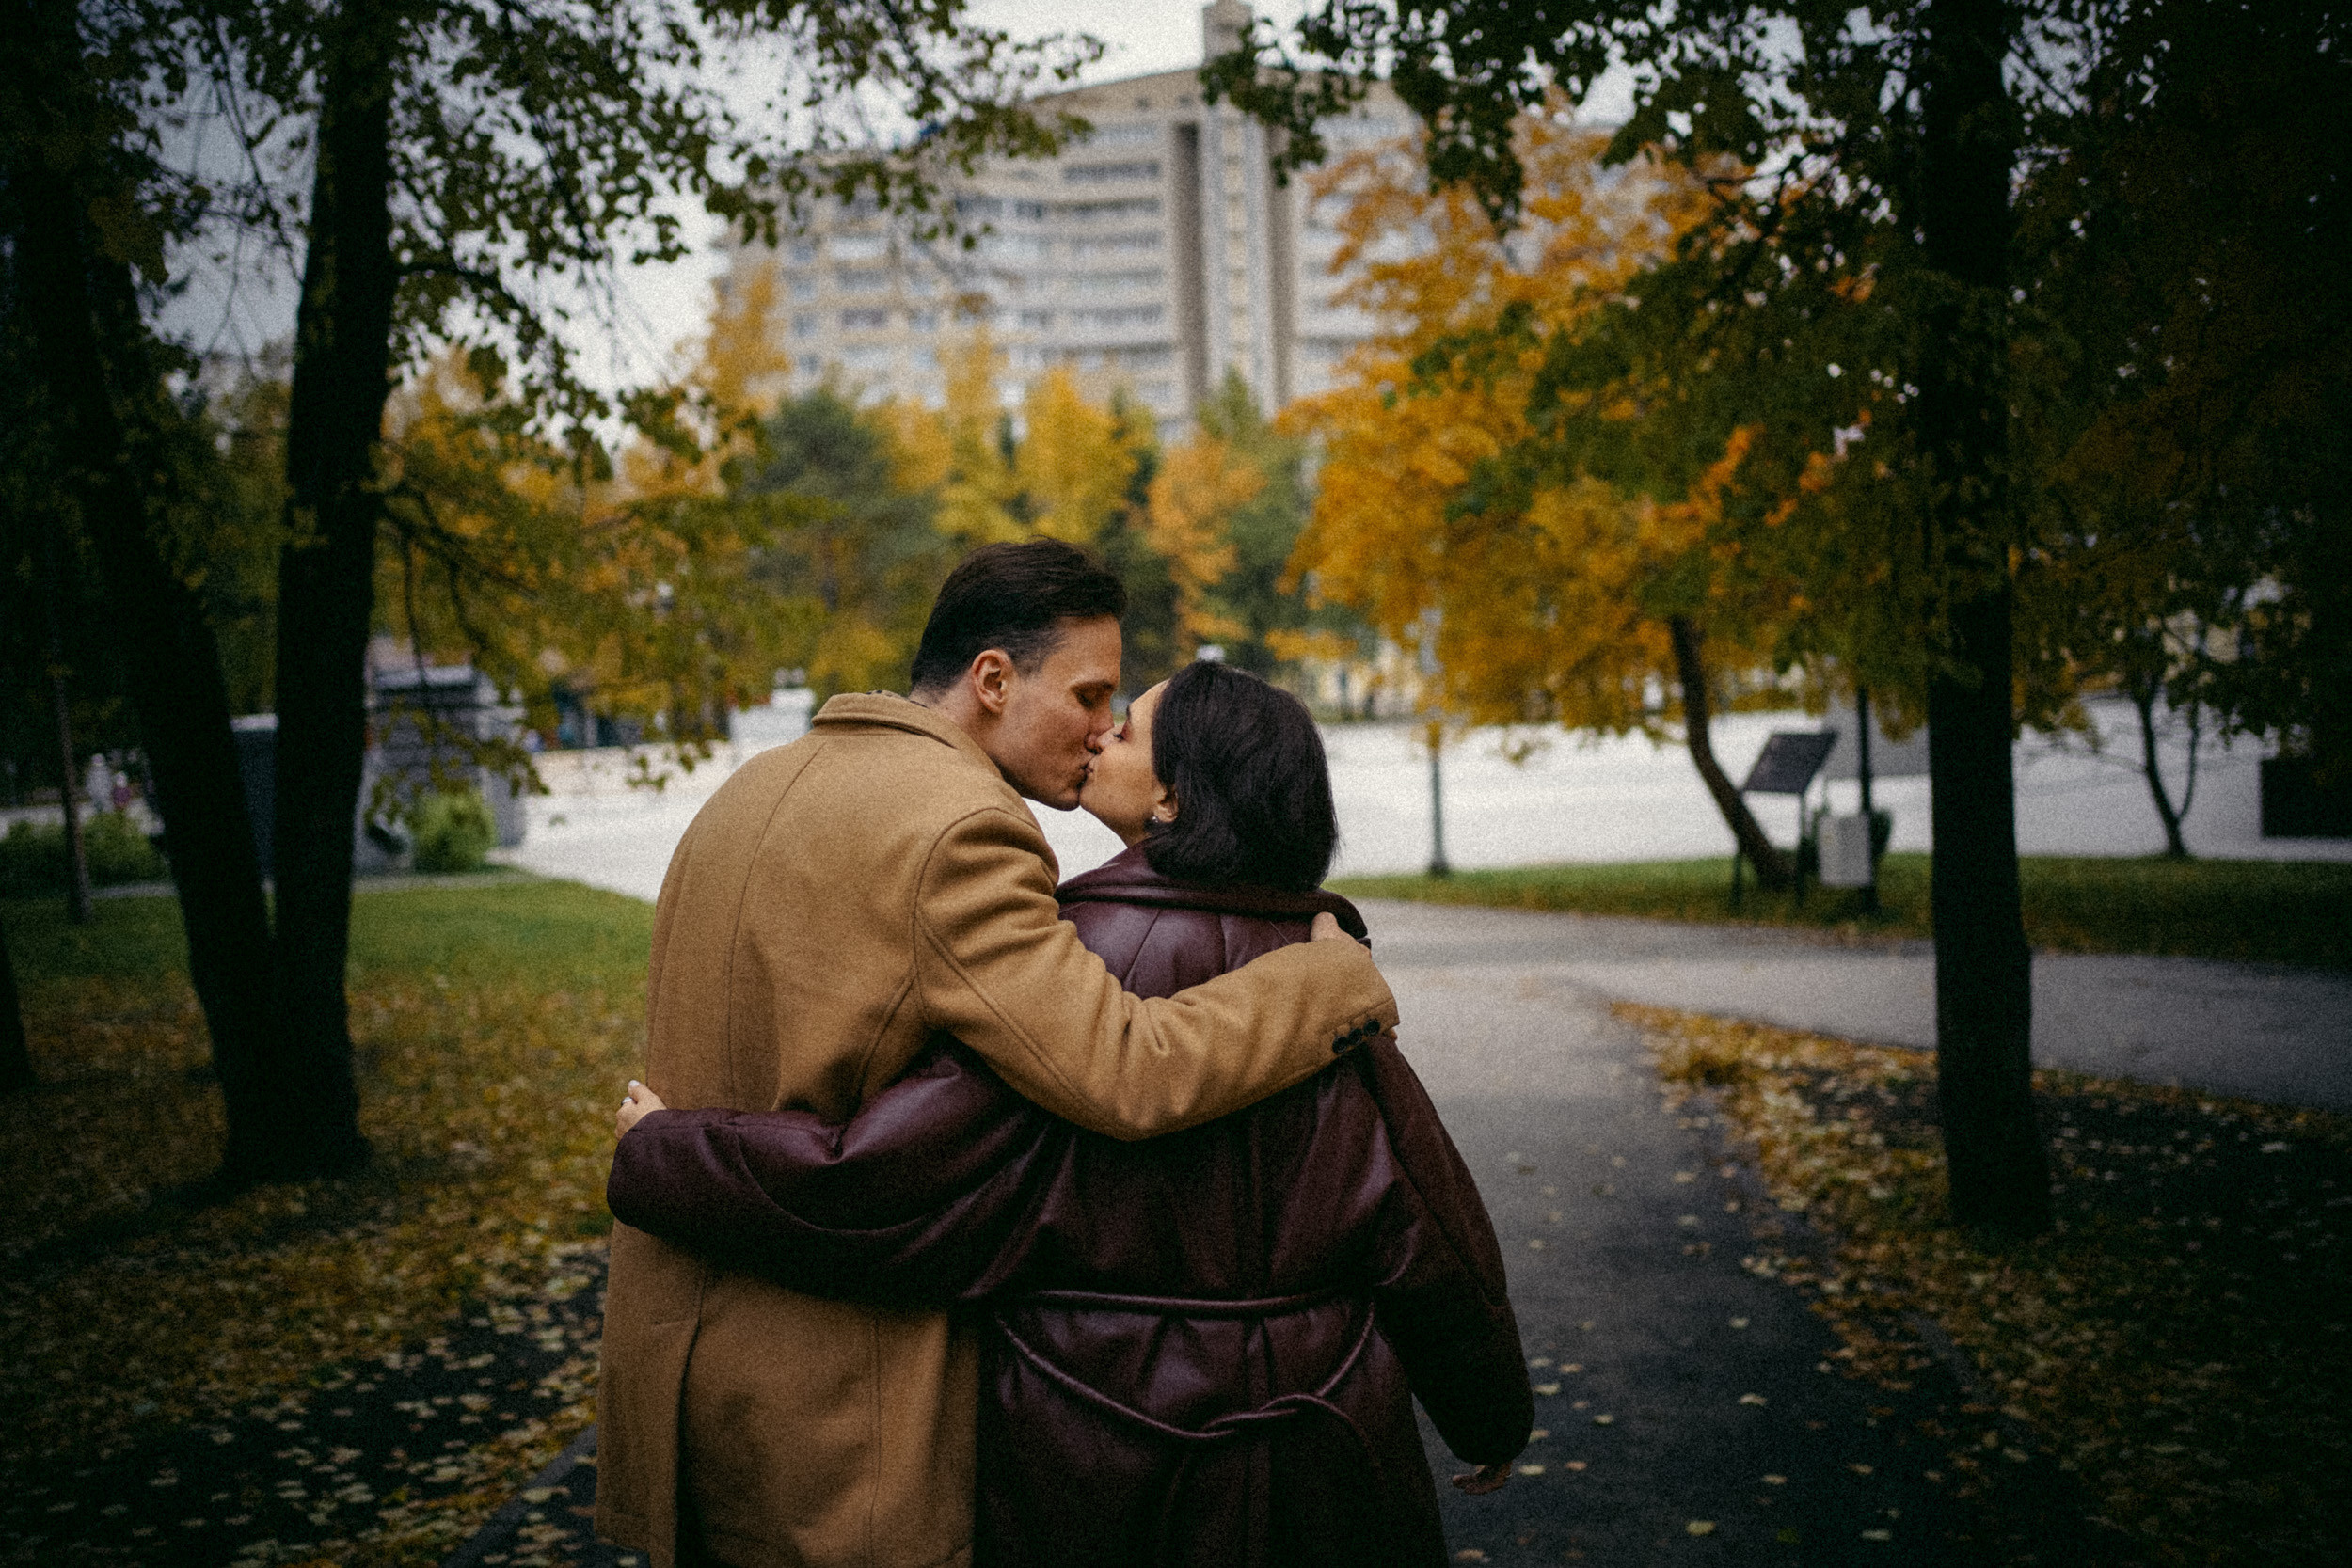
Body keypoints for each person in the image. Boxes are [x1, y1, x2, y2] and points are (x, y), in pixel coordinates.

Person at [609, 661, 1531, 1567]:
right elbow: (1429, 1222)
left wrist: (665, 1151)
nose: (1099, 731)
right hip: (1322, 1444)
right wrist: (1486, 1414)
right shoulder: (1331, 977)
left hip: (1094, 1443)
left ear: (1173, 798)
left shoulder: (1070, 972)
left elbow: (887, 1175)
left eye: (1124, 727)